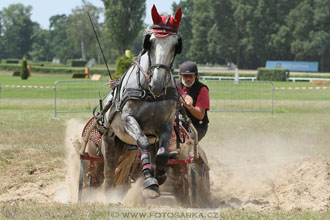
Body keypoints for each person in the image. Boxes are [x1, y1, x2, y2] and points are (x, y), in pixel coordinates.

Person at [176, 61, 210, 142]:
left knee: (187, 143)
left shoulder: (202, 89)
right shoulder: (175, 86)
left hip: (197, 126)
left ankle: (195, 153)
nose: (188, 79)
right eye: (185, 76)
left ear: (196, 76)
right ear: (180, 76)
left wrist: (189, 107)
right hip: (179, 123)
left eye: (191, 76)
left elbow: (200, 115)